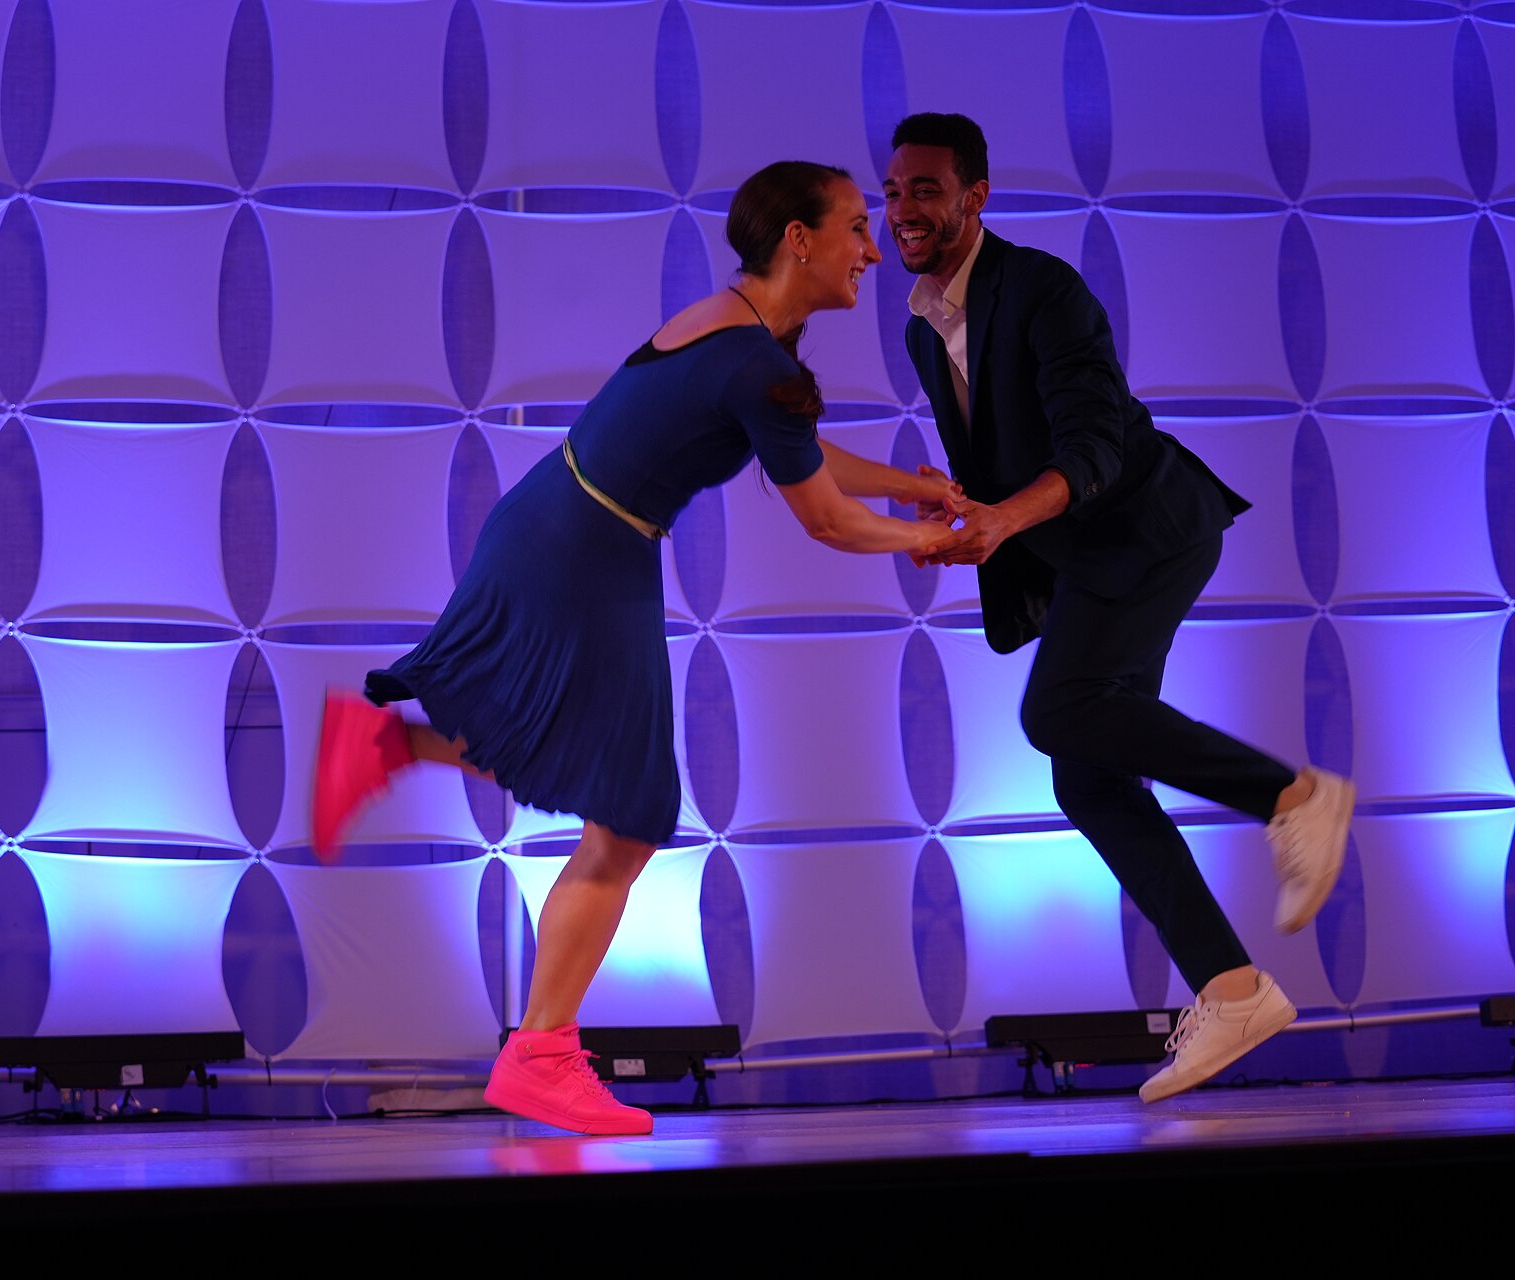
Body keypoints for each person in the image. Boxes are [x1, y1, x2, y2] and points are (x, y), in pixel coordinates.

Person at [313, 161, 958, 1135]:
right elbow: (824, 517)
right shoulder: (759, 362)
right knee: (629, 811)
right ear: (798, 238)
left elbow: (808, 457)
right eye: (857, 227)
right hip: (582, 549)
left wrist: (919, 492)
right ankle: (539, 1052)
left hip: (570, 531)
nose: (872, 248)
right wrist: (934, 539)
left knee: (588, 772)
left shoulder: (745, 330)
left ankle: (386, 747)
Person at [884, 112, 1355, 1102]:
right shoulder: (926, 325)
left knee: (1058, 710)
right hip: (1084, 557)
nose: (902, 211)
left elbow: (1095, 444)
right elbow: (993, 456)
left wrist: (1006, 518)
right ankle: (1234, 988)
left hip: (1147, 528)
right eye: (892, 193)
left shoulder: (1044, 289)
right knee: (1089, 781)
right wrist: (953, 515)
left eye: (924, 189)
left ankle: (1293, 795)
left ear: (975, 196)